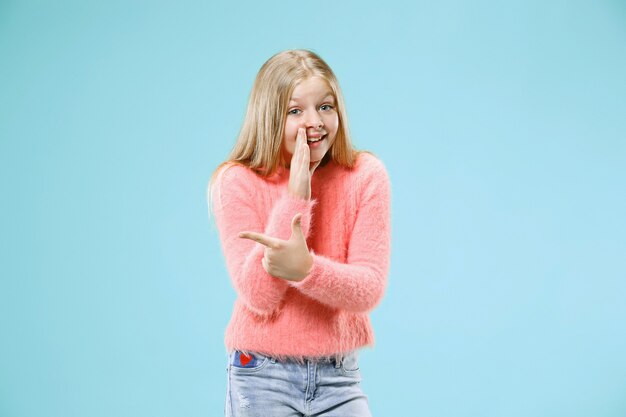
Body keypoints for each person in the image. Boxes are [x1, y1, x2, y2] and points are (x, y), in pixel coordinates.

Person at [207, 49, 391, 416]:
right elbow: (258, 295)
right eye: (295, 111)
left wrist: (305, 269)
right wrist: (296, 196)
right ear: (270, 116)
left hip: (339, 375)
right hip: (261, 374)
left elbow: (369, 288)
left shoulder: (365, 175)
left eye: (325, 106)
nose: (315, 122)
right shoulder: (236, 181)